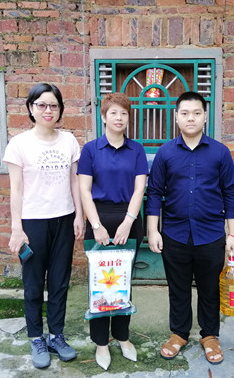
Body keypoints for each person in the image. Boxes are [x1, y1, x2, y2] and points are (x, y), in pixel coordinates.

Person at [146, 91, 234, 365]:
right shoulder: (165, 152)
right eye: (185, 113)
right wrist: (153, 230)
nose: (191, 118)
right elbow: (154, 192)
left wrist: (232, 234)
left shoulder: (220, 152)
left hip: (211, 234)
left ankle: (209, 335)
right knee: (178, 288)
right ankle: (179, 333)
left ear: (205, 116)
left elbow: (230, 193)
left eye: (196, 113)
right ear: (176, 117)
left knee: (210, 288)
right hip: (174, 233)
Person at [3, 83, 84, 369]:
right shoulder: (19, 144)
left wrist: (79, 215)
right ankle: (36, 337)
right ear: (31, 108)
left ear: (60, 110)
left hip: (64, 218)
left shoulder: (69, 141)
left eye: (53, 105)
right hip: (33, 221)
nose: (48, 110)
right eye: (41, 105)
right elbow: (16, 189)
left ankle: (56, 336)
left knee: (60, 282)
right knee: (34, 284)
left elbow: (75, 181)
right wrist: (17, 228)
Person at [77, 92, 149, 371]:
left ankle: (122, 336)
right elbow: (85, 191)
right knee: (99, 283)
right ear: (104, 117)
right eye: (113, 113)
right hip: (98, 218)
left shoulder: (136, 150)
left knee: (122, 282)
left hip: (128, 219)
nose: (119, 118)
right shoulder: (90, 150)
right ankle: (100, 342)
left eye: (124, 113)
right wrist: (96, 225)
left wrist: (128, 222)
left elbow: (139, 189)